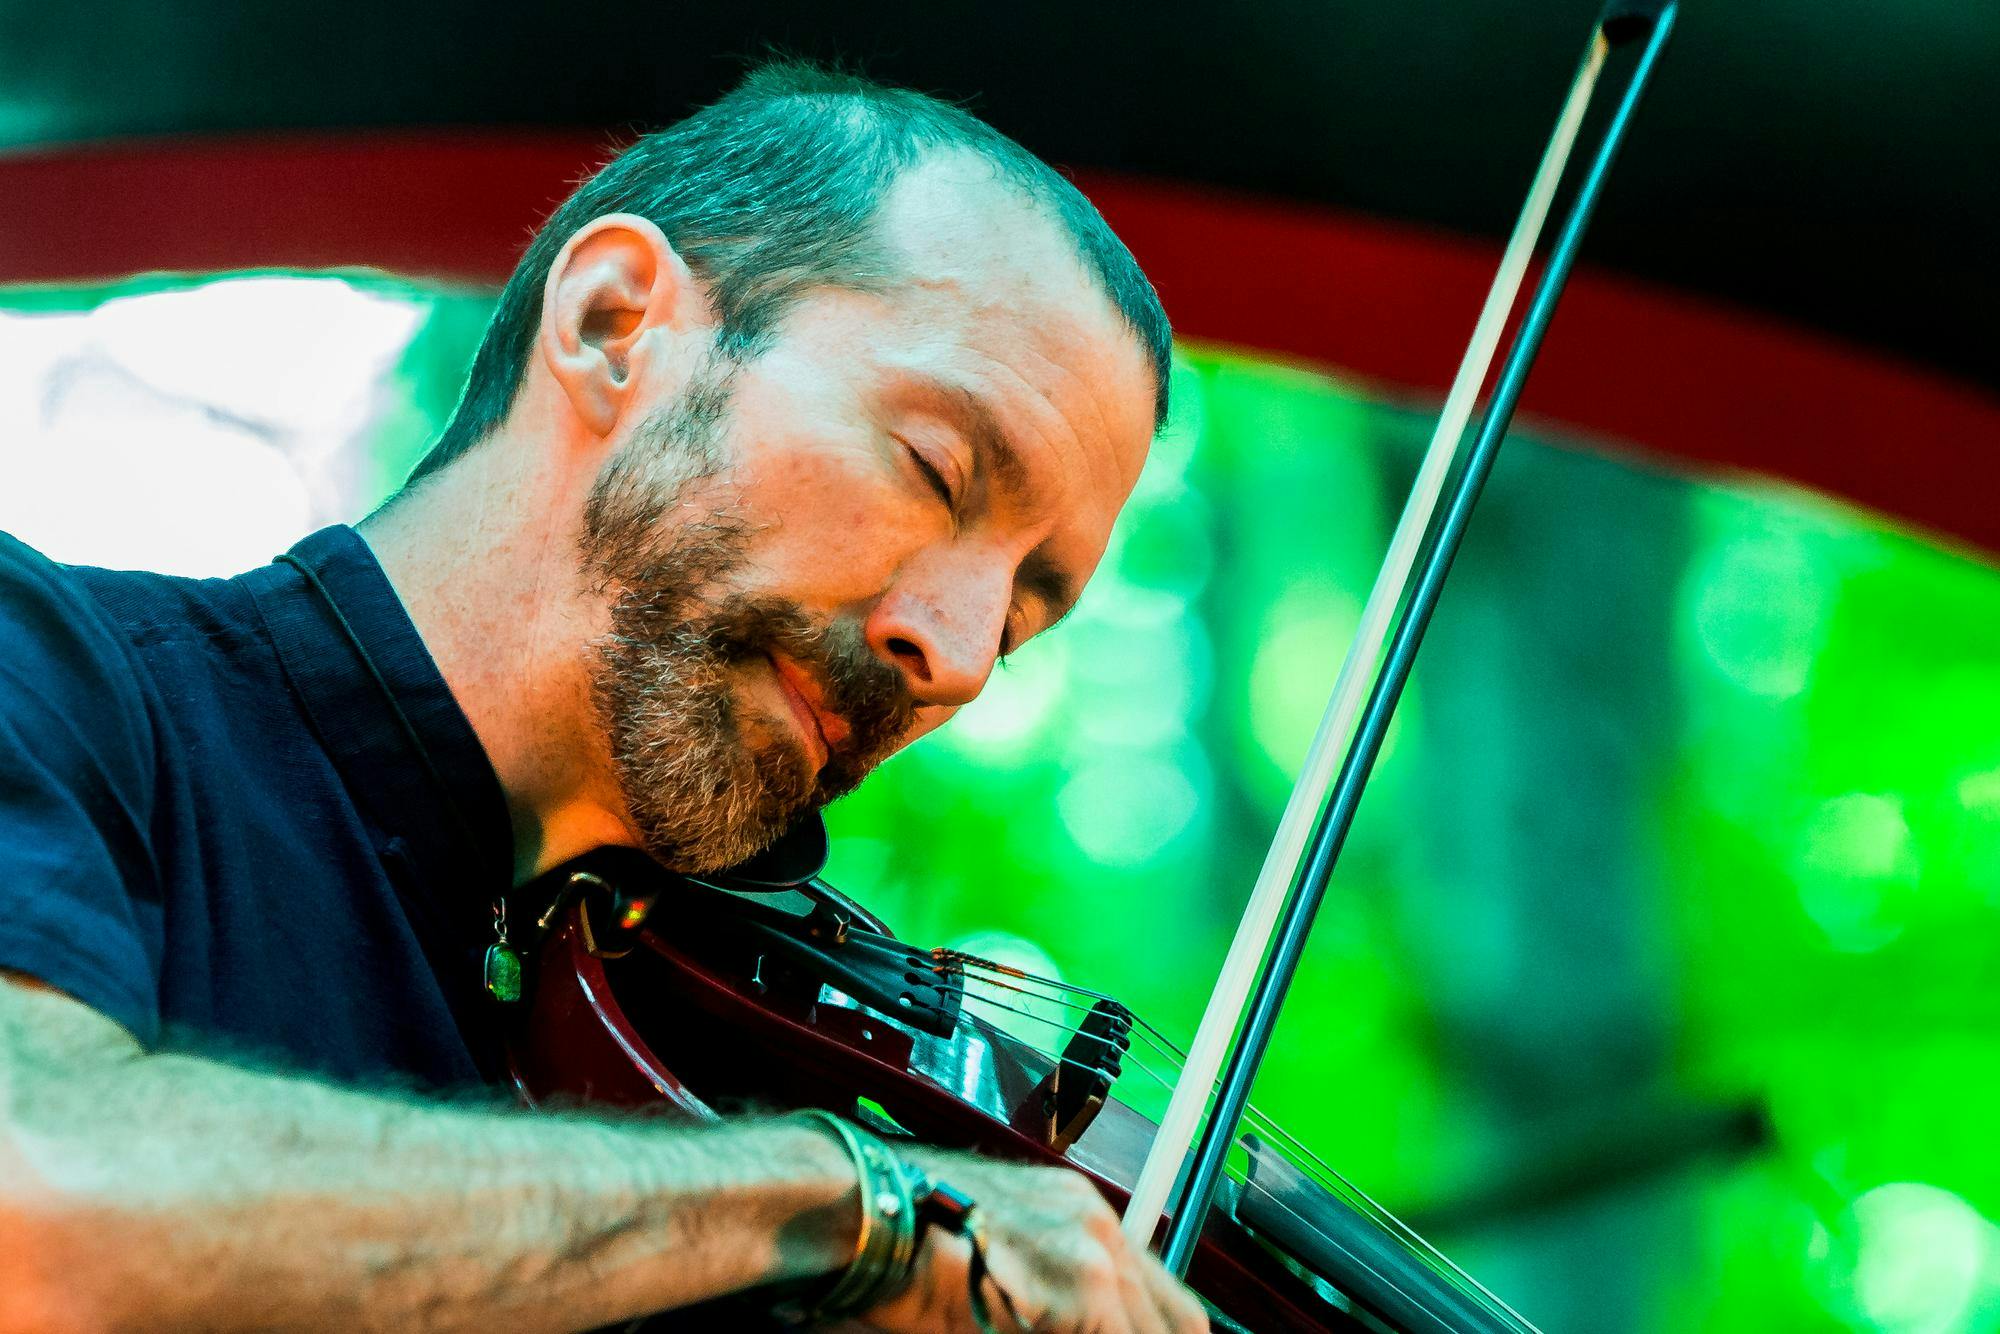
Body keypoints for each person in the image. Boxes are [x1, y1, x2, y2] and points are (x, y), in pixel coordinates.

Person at [0, 64, 1208, 1333]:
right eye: (934, 468)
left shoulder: (709, 1103)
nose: (956, 656)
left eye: (1018, 622)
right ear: (613, 323)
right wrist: (846, 1202)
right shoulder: (53, 673)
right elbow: (40, 1206)